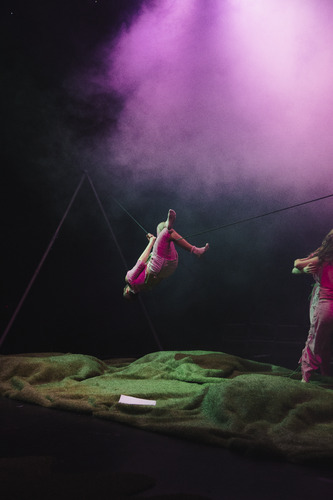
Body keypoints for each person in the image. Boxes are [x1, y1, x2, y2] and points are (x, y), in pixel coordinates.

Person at [123, 209, 209, 299]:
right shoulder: (129, 280)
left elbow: (158, 276)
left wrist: (154, 246)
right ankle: (194, 250)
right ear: (127, 290)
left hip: (170, 267)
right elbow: (140, 263)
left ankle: (196, 251)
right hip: (157, 265)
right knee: (166, 231)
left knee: (163, 230)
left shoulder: (147, 287)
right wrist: (151, 242)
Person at [293, 230, 333, 382]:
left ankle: (308, 376)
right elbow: (296, 267)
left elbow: (297, 264)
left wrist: (303, 267)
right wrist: (303, 269)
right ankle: (322, 374)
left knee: (315, 338)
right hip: (324, 301)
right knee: (321, 340)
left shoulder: (324, 257)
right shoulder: (323, 257)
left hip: (326, 303)